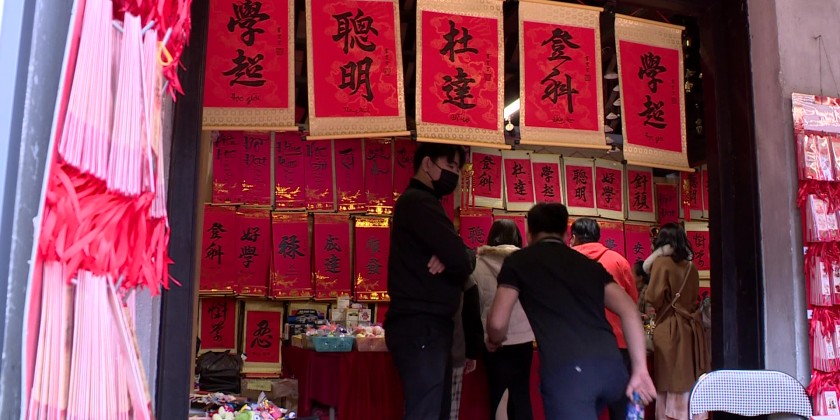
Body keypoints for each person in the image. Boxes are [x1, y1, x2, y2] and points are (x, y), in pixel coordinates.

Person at [487, 203, 655, 420]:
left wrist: (495, 339)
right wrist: (640, 370)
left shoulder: (518, 261)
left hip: (568, 375)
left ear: (529, 234)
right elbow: (630, 309)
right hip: (612, 369)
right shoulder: (587, 265)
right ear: (566, 234)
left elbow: (497, 323)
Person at [385, 143, 473, 420]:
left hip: (425, 325)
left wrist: (454, 254)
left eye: (457, 169)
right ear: (427, 164)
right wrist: (455, 254)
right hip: (421, 325)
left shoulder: (424, 202)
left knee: (432, 409)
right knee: (426, 411)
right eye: (449, 166)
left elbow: (460, 256)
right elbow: (461, 259)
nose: (454, 174)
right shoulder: (419, 202)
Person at [570, 218, 639, 420]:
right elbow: (632, 302)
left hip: (579, 344)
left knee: (583, 404)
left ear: (573, 237)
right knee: (619, 404)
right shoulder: (618, 261)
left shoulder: (565, 261)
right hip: (618, 343)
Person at [644, 223, 709, 420]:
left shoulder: (662, 263)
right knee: (687, 380)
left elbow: (653, 297)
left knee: (670, 382)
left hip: (670, 328)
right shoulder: (691, 266)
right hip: (691, 329)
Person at [473, 220, 534, 420]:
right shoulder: (527, 264)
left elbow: (476, 303)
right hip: (523, 339)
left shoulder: (478, 264)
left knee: (497, 393)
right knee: (521, 393)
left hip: (492, 339)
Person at [449, 278, 484, 420]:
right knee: (450, 409)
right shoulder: (464, 277)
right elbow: (472, 315)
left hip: (420, 351)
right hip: (454, 350)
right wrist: (472, 352)